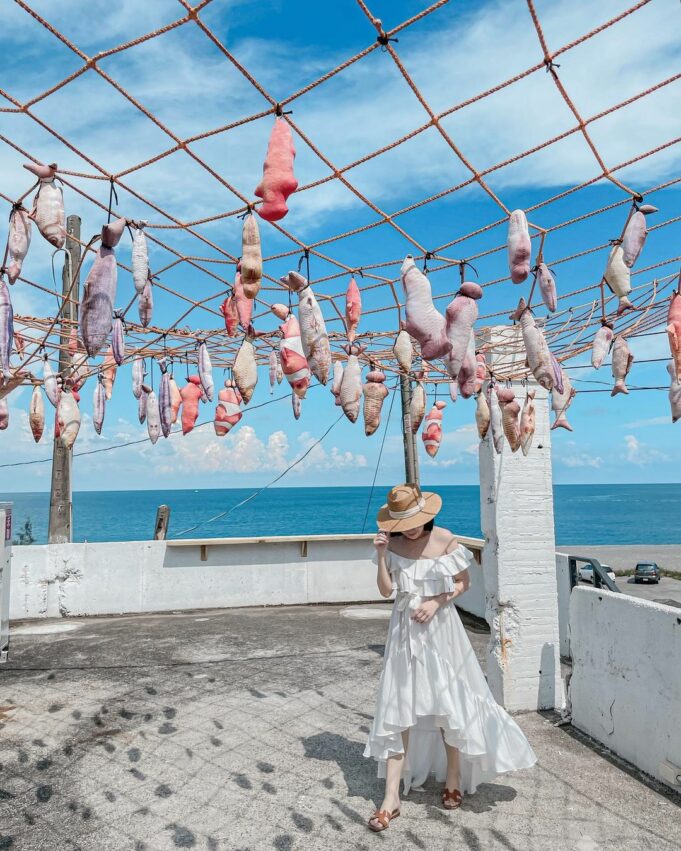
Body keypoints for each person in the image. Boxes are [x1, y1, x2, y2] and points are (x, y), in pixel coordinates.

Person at [365, 483, 536, 832]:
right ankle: (390, 798)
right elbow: (385, 590)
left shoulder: (444, 539)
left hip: (441, 628)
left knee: (450, 703)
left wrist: (436, 601)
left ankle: (454, 779)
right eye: (403, 522)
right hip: (403, 630)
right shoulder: (392, 543)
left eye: (415, 519)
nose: (410, 528)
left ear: (426, 515)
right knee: (398, 709)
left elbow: (463, 583)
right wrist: (382, 555)